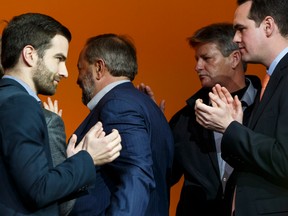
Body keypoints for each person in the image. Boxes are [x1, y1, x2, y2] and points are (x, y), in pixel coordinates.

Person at [0, 13, 122, 215]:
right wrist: (88, 159)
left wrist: (72, 163)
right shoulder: (20, 104)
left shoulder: (9, 99)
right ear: (30, 54)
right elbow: (38, 191)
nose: (64, 72)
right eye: (59, 59)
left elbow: (24, 186)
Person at [139, 23, 260, 216]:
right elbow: (163, 175)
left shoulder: (266, 106)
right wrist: (155, 129)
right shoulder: (185, 118)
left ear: (235, 58)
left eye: (206, 58)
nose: (197, 67)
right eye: (197, 59)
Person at [194, 0, 288, 215]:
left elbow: (285, 160)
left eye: (241, 29)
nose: (235, 39)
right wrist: (237, 126)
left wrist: (231, 128)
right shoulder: (273, 78)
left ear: (268, 26)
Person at [68, 33, 174, 216]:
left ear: (99, 68)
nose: (77, 78)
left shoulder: (118, 105)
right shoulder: (145, 105)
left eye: (80, 68)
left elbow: (136, 174)